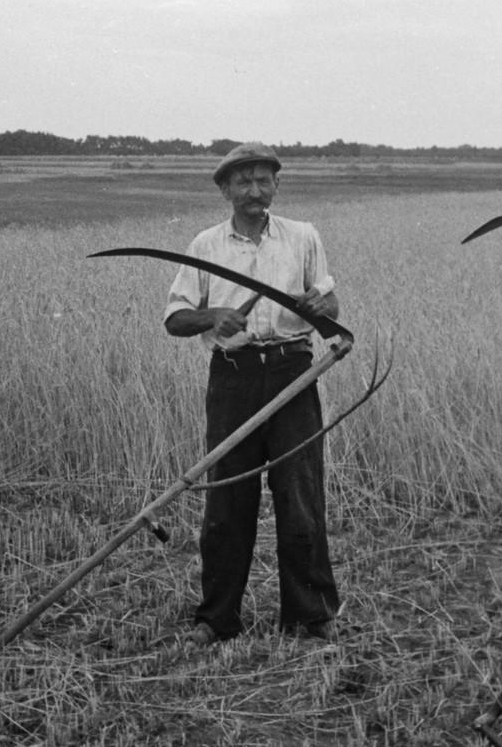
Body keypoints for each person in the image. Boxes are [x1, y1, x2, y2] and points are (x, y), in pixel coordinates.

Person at [163, 142, 342, 646]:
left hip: (293, 372)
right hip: (233, 378)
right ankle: (217, 619)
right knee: (228, 498)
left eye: (264, 181)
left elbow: (328, 305)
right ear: (225, 190)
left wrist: (321, 304)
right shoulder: (205, 246)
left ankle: (309, 617)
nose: (254, 191)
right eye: (243, 182)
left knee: (300, 496)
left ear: (277, 186)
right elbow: (176, 318)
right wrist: (212, 317)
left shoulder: (303, 238)